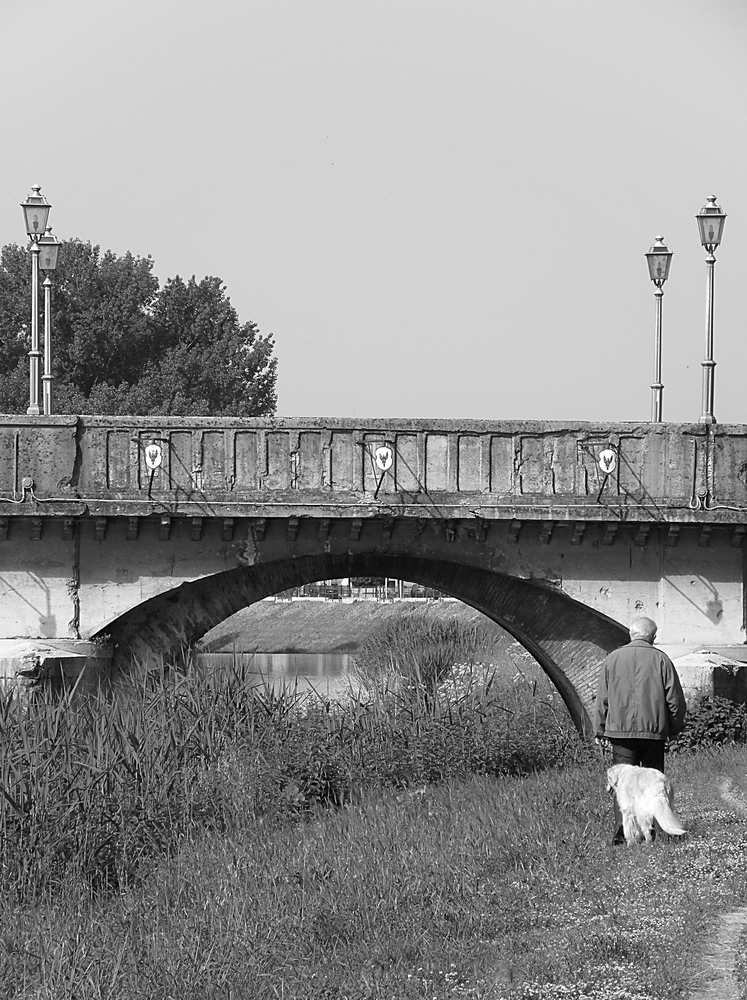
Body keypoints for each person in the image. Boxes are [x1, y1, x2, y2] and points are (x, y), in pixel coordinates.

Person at [594, 616, 687, 845]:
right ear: (652, 637)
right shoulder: (662, 660)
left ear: (631, 634)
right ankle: (651, 830)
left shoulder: (612, 659)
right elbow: (675, 699)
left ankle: (622, 833)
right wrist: (675, 727)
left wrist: (600, 729)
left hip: (620, 732)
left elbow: (602, 699)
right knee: (652, 782)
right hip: (654, 732)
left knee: (624, 785)